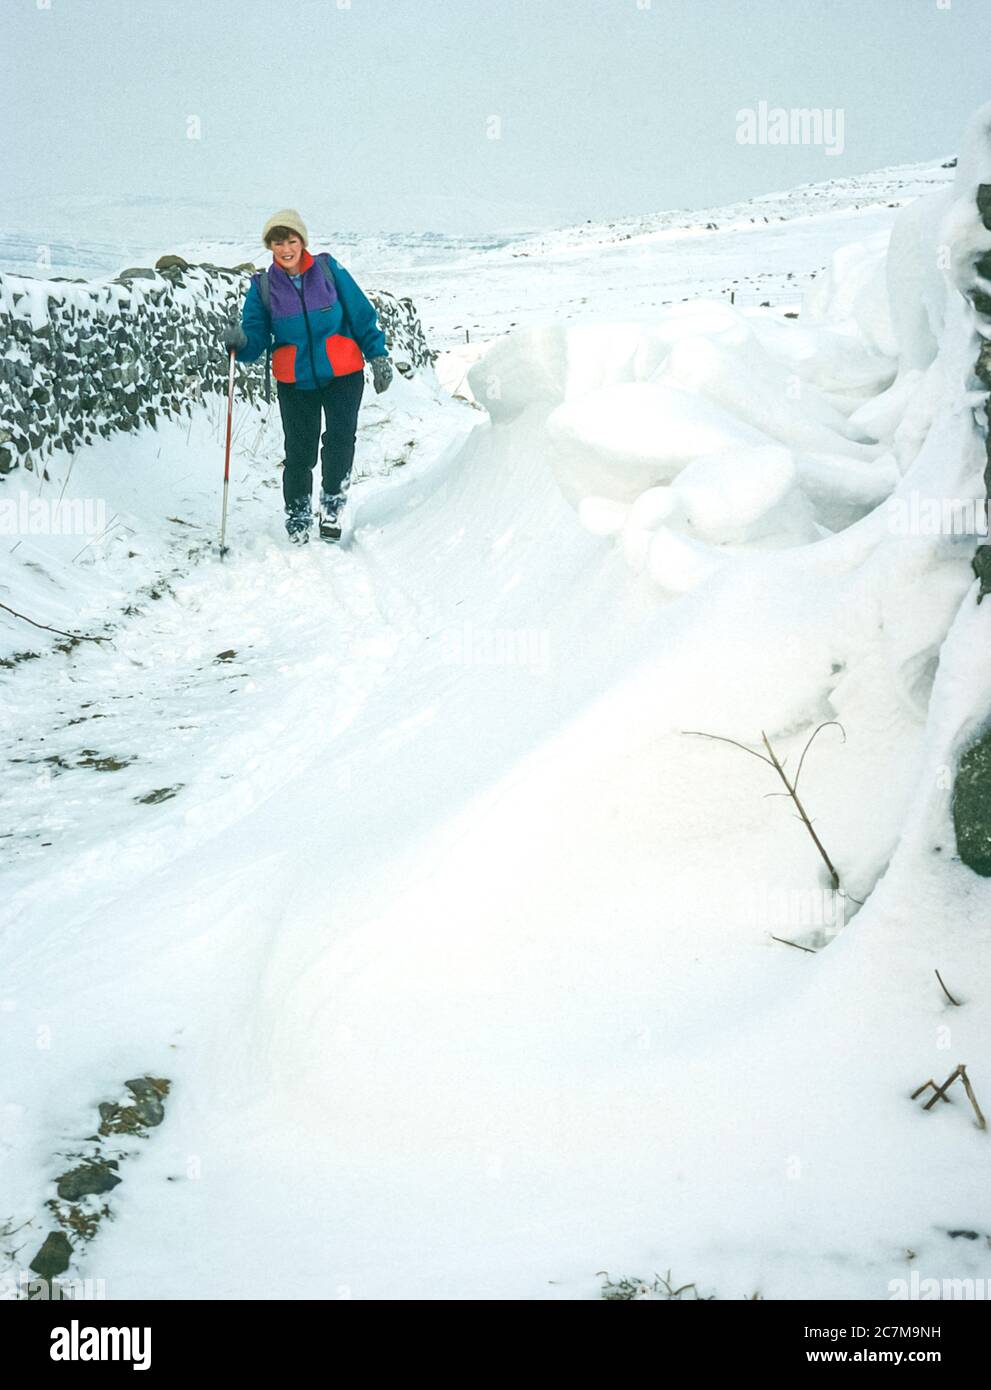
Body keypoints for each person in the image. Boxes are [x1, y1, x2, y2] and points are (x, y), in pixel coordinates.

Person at [222, 208, 393, 543]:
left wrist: (377, 355)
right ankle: (298, 514)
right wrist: (240, 343)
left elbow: (360, 312)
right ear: (269, 247)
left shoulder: (328, 270)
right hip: (295, 381)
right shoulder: (264, 287)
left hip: (343, 372)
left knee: (340, 442)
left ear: (302, 241)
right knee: (300, 452)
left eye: (291, 240)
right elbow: (255, 339)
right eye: (277, 243)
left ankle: (331, 509)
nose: (285, 248)